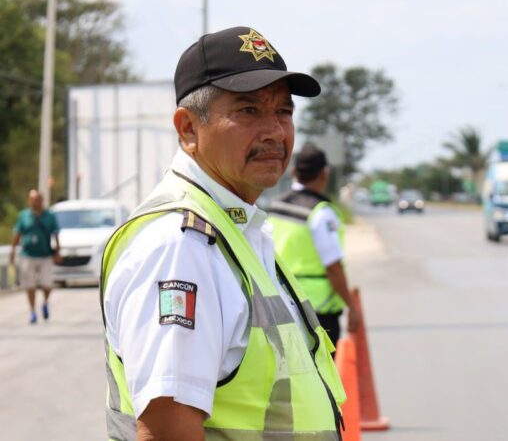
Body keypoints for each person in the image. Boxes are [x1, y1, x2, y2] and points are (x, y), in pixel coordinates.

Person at [101, 26, 345, 441]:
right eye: (248, 111)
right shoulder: (180, 246)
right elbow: (167, 432)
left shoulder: (238, 228)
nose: (274, 131)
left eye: (283, 112)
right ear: (188, 129)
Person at [269, 144, 362, 351]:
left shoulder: (276, 206)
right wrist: (351, 306)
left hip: (282, 304)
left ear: (294, 172)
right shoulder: (321, 213)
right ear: (324, 174)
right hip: (318, 311)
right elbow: (333, 266)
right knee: (322, 379)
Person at [10, 189, 61, 324]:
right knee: (30, 285)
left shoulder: (49, 216)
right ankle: (32, 311)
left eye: (37, 200)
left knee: (47, 283)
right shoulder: (23, 216)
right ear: (29, 201)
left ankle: (44, 302)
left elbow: (56, 234)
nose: (34, 202)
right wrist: (12, 251)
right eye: (32, 200)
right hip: (28, 255)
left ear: (41, 201)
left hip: (45, 255)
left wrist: (58, 251)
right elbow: (17, 233)